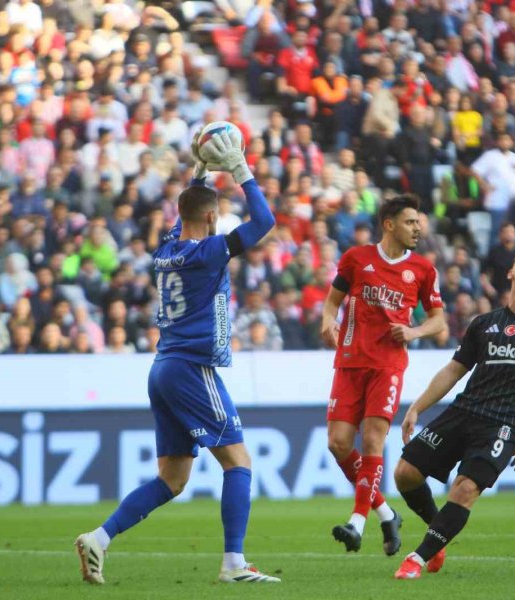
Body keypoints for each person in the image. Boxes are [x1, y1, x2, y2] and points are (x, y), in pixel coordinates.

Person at [74, 132, 280, 585]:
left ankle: (99, 538)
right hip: (191, 368)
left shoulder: (166, 250)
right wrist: (240, 169)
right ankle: (234, 565)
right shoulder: (209, 251)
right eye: (216, 214)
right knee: (239, 461)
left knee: (172, 479)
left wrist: (201, 170)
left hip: (163, 368)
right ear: (212, 217)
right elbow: (264, 221)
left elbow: (185, 213)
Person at [392, 241, 515, 579]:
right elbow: (453, 370)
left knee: (464, 488)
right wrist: (417, 406)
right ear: (511, 271)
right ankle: (439, 533)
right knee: (404, 473)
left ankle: (416, 559)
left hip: (503, 425)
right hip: (463, 412)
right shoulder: (483, 323)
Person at [320, 194, 447, 555]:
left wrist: (413, 332)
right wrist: (328, 320)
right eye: (410, 222)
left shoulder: (423, 269)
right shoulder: (356, 259)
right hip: (349, 361)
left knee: (373, 440)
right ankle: (387, 513)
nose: (418, 228)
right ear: (389, 224)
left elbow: (438, 320)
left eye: (419, 222)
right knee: (338, 443)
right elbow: (332, 301)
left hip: (387, 366)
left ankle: (357, 523)